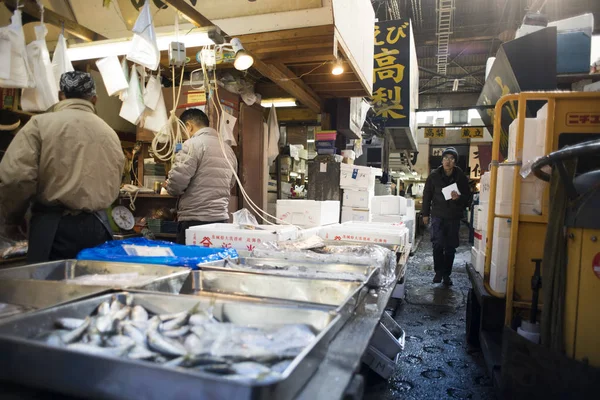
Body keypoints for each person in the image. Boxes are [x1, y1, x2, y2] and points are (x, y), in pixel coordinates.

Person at [0, 71, 125, 263]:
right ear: (94, 99)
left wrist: (12, 219)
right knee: (94, 287)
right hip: (99, 227)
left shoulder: (39, 125)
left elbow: (16, 178)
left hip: (53, 228)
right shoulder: (109, 133)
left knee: (50, 289)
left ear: (60, 95)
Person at [166, 108, 237, 245]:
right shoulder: (227, 148)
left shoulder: (191, 145)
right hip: (220, 219)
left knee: (188, 262)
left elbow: (176, 184)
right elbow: (231, 183)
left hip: (194, 219)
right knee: (213, 263)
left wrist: (169, 186)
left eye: (182, 129)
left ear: (188, 126)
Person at [422, 147, 471, 286]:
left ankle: (446, 275)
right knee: (437, 245)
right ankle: (438, 272)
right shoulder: (434, 176)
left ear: (455, 161)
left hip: (453, 217)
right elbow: (427, 196)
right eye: (445, 158)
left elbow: (468, 198)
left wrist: (459, 198)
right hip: (438, 215)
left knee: (450, 247)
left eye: (451, 159)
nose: (447, 161)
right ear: (442, 160)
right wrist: (425, 214)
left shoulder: (460, 177)